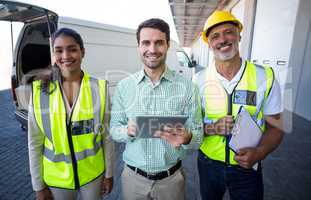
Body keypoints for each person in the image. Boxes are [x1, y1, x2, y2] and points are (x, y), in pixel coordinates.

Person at [193, 10, 284, 200]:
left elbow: (276, 127)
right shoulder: (198, 81)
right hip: (208, 165)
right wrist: (212, 128)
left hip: (247, 167)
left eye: (228, 32)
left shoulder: (264, 76)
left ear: (239, 35)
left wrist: (260, 152)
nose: (223, 39)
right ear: (209, 44)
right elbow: (188, 128)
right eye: (215, 36)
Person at [110, 18, 203, 200]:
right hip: (133, 181)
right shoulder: (124, 86)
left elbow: (198, 134)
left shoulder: (188, 88)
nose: (152, 50)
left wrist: (188, 136)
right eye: (146, 43)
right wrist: (127, 131)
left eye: (159, 43)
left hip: (171, 181)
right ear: (139, 46)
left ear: (168, 45)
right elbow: (113, 129)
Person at [28, 28, 114, 200]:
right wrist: (38, 186)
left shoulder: (100, 88)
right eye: (59, 50)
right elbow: (34, 142)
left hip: (93, 175)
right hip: (56, 179)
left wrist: (109, 173)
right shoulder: (39, 91)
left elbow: (107, 137)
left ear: (82, 52)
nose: (66, 56)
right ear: (54, 54)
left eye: (72, 49)